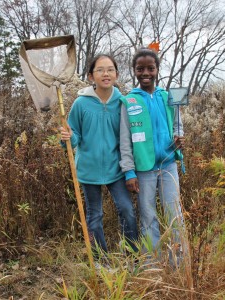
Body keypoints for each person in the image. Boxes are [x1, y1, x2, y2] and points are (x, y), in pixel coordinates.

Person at [60, 54, 138, 264]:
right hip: (88, 169)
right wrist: (68, 137)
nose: (106, 74)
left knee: (127, 210)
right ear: (91, 76)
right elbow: (74, 137)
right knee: (95, 216)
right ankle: (101, 262)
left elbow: (128, 136)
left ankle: (132, 258)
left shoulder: (122, 103)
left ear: (117, 74)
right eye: (100, 70)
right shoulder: (81, 104)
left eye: (110, 69)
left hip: (116, 168)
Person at [119, 48, 185, 262]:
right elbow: (125, 139)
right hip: (144, 169)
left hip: (168, 165)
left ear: (157, 69)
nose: (145, 72)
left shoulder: (168, 97)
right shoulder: (129, 101)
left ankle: (180, 262)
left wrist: (178, 138)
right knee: (148, 217)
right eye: (140, 69)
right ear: (134, 71)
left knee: (174, 214)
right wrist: (129, 172)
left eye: (150, 68)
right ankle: (151, 264)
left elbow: (178, 125)